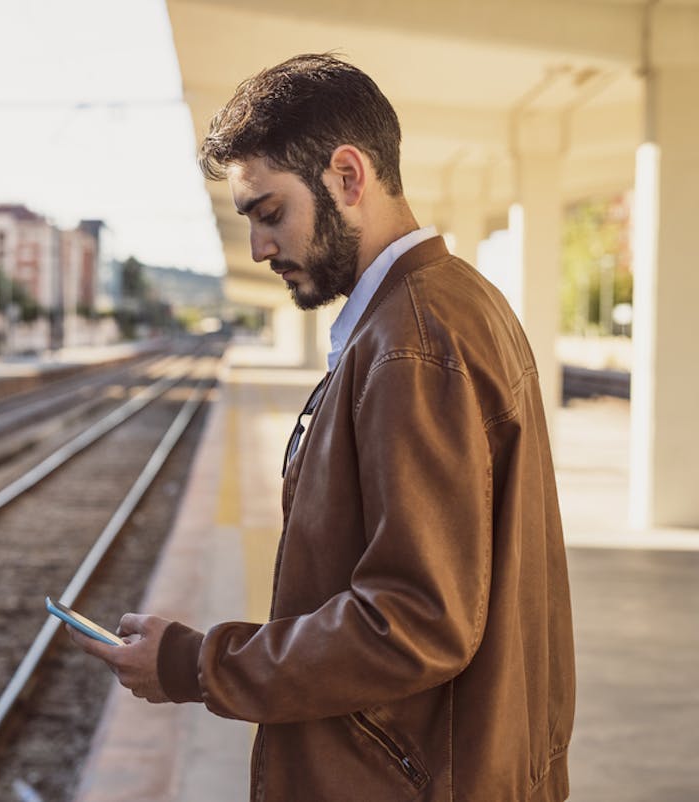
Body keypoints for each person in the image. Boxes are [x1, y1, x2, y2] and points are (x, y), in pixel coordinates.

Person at [69, 53, 576, 801]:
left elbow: (417, 620)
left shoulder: (410, 343)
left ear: (347, 176)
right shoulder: (455, 303)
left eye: (270, 213)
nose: (259, 248)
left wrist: (197, 664)